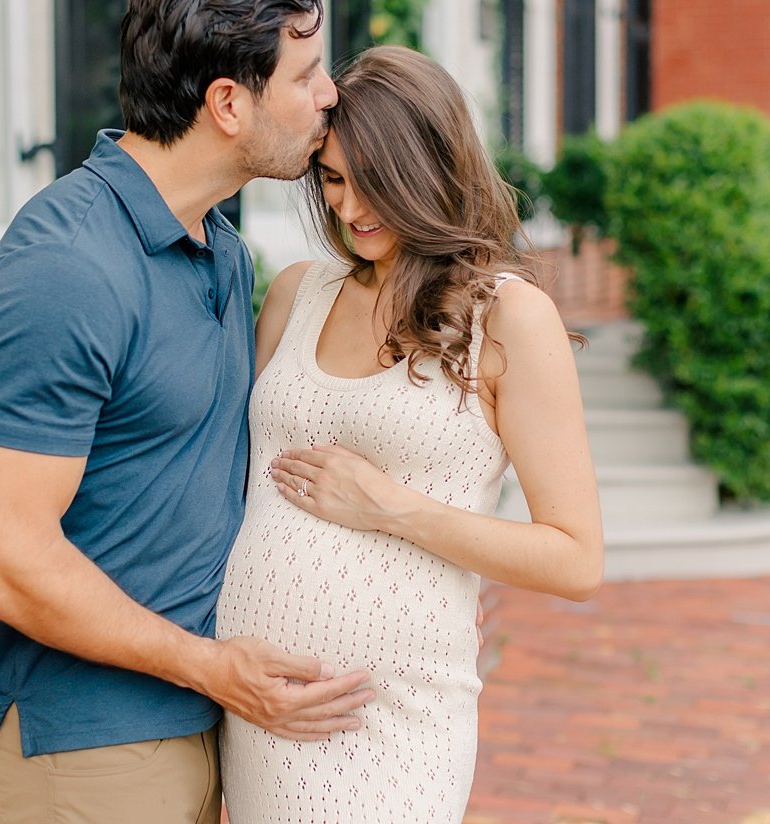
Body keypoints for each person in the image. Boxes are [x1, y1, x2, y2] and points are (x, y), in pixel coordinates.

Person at [0, 0, 374, 824]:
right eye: (306, 73)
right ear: (228, 103)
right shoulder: (67, 265)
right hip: (81, 748)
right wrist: (209, 665)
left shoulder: (220, 249)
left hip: (194, 720)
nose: (330, 93)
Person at [216, 45, 605, 823]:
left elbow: (576, 558)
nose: (352, 209)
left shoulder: (508, 317)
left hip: (390, 720)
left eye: (378, 184)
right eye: (333, 180)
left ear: (433, 171)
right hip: (256, 703)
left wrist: (393, 510)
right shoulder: (296, 293)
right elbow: (234, 486)